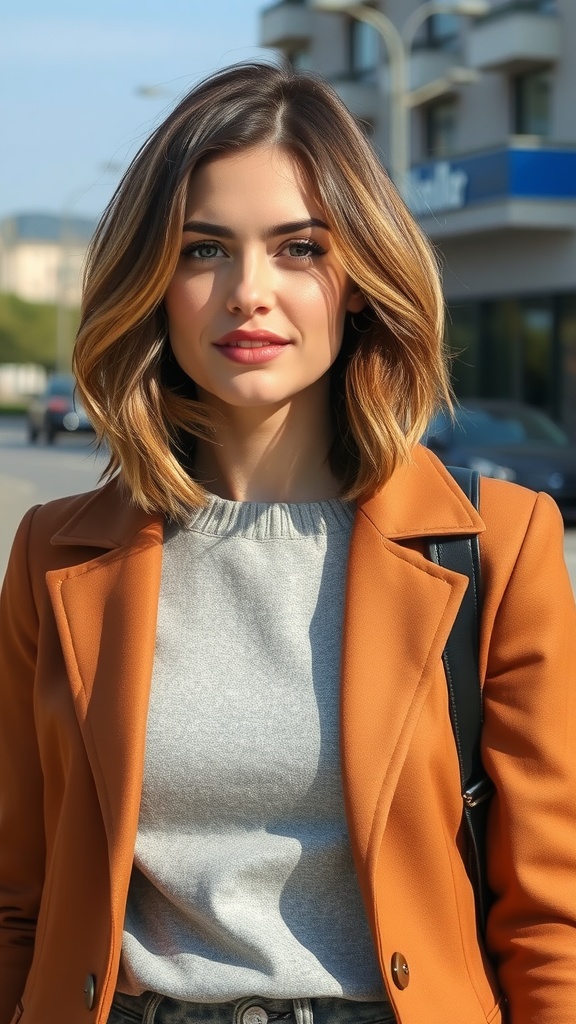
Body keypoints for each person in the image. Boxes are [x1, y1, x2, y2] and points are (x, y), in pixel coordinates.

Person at [0, 62, 575, 1024]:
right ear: (154, 282)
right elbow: (17, 901)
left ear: (357, 281)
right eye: (202, 250)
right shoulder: (55, 556)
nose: (248, 292)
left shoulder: (497, 548)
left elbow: (551, 922)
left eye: (300, 247)